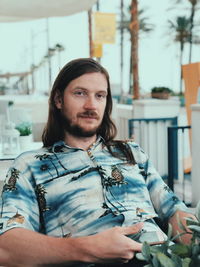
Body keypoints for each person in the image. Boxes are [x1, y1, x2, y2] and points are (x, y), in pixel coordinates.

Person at [0, 58, 196, 267]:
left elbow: (174, 210)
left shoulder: (131, 153)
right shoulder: (31, 165)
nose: (91, 105)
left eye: (100, 96)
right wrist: (89, 249)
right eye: (80, 93)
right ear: (58, 100)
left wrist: (196, 245)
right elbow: (6, 247)